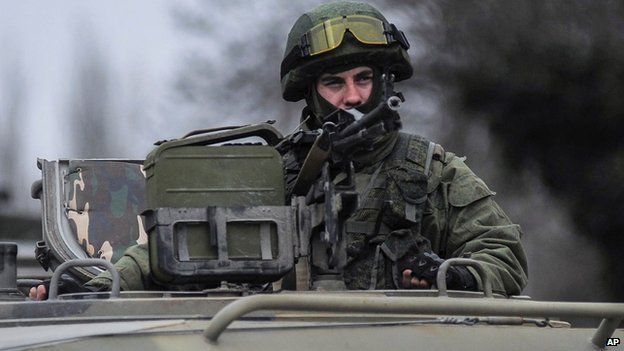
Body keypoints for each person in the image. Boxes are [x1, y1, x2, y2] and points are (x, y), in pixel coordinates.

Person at [31, 1, 527, 300]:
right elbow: (165, 250)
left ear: (385, 82)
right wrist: (99, 282)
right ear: (311, 94)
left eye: (363, 79)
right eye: (334, 82)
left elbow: (503, 258)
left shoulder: (431, 172)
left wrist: (450, 274)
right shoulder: (274, 173)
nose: (353, 97)